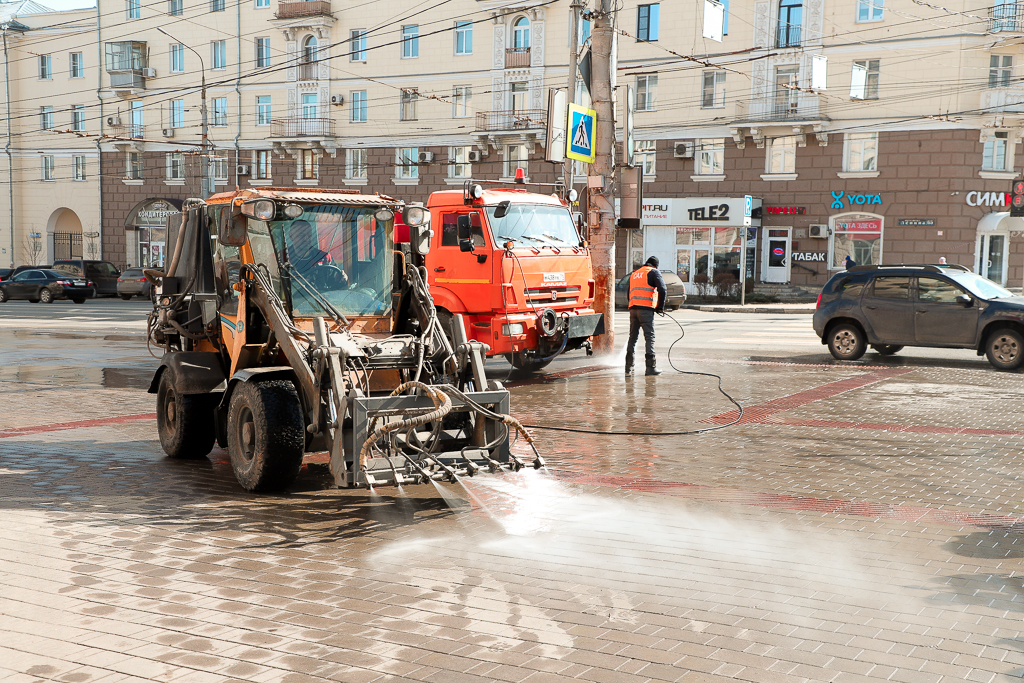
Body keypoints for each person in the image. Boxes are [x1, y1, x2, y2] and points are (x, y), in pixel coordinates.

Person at [625, 256, 667, 376]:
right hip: (646, 310)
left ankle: (628, 367)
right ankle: (650, 368)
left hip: (633, 308)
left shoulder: (635, 273)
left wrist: (632, 306)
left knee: (632, 337)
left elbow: (629, 292)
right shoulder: (653, 272)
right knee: (649, 337)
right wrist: (660, 307)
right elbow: (663, 289)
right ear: (655, 266)